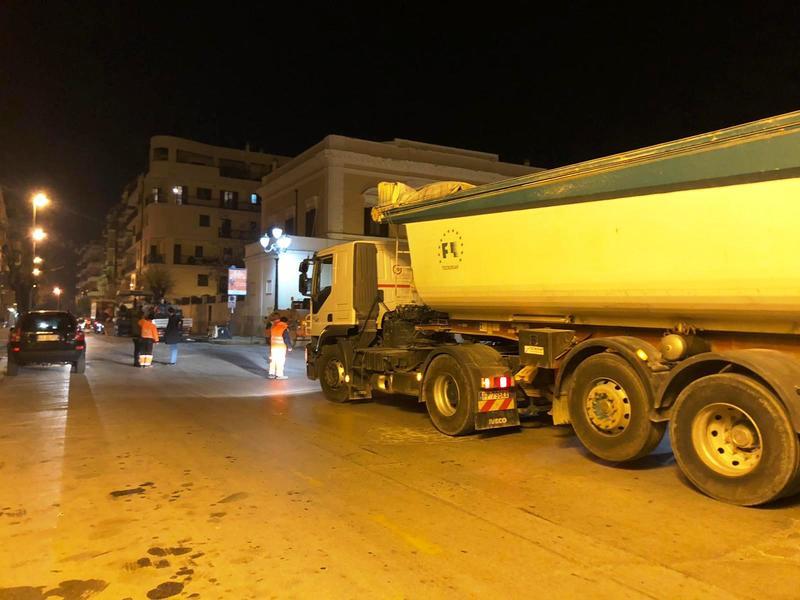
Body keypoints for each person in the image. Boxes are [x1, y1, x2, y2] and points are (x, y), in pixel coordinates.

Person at [268, 315, 293, 380]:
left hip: (273, 347)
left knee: (273, 360)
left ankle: (271, 374)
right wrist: (289, 346)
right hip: (280, 347)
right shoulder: (284, 328)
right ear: (286, 322)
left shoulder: (274, 327)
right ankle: (279, 375)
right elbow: (286, 338)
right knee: (280, 361)